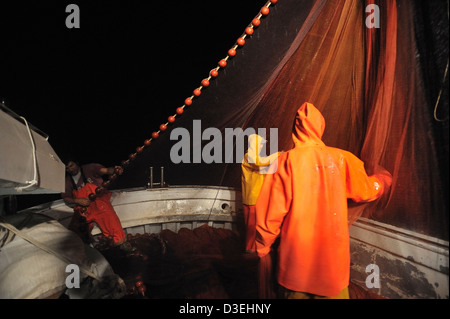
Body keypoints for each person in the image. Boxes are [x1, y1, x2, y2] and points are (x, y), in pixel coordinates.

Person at [255, 102, 392, 299]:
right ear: (320, 127)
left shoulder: (285, 161)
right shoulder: (343, 159)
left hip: (295, 264)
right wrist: (383, 180)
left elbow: (270, 214)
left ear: (295, 128)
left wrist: (262, 248)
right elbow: (368, 191)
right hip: (333, 266)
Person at [62, 158, 134, 252]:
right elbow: (66, 197)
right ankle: (80, 252)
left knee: (113, 225)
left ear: (77, 163)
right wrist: (77, 200)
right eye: (67, 168)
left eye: (71, 165)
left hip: (100, 203)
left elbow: (107, 170)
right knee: (75, 231)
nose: (70, 169)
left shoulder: (89, 168)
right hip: (84, 208)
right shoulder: (67, 181)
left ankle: (123, 248)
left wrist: (115, 170)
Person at [241, 134, 280, 253]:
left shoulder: (253, 157)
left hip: (254, 197)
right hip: (252, 198)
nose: (262, 145)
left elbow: (264, 168)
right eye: (260, 143)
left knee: (254, 224)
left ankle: (253, 247)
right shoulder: (249, 156)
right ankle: (250, 248)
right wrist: (278, 154)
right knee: (252, 225)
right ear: (254, 144)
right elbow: (260, 163)